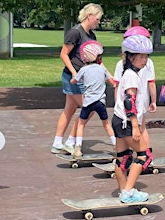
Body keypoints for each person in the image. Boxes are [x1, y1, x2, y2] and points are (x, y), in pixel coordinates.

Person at [51, 3, 104, 154]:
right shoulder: (75, 32)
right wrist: (75, 73)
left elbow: (96, 58)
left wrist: (106, 73)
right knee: (91, 107)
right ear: (90, 16)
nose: (98, 22)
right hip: (72, 78)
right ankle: (70, 141)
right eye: (98, 19)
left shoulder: (91, 36)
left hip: (82, 79)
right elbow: (63, 54)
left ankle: (57, 143)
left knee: (69, 110)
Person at [112, 35, 153, 203]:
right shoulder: (131, 76)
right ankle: (128, 191)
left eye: (146, 56)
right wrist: (136, 127)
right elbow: (130, 102)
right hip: (127, 123)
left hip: (118, 120)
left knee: (123, 157)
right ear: (130, 57)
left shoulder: (128, 73)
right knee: (144, 156)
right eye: (141, 56)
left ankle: (123, 191)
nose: (145, 60)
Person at [113, 25, 157, 158]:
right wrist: (153, 101)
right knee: (142, 129)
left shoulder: (121, 64)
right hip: (141, 101)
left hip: (130, 104)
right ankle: (146, 156)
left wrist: (117, 104)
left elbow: (117, 86)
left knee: (128, 132)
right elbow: (152, 84)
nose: (144, 59)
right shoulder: (149, 62)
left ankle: (139, 156)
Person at [69, 40, 116, 158]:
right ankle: (116, 146)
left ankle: (78, 148)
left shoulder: (84, 70)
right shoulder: (102, 69)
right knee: (106, 124)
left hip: (88, 102)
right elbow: (111, 81)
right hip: (100, 102)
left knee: (81, 124)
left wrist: (74, 78)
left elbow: (74, 81)